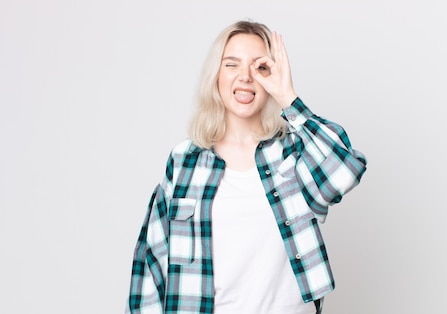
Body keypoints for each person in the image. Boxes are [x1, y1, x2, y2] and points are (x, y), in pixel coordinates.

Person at [127, 20, 367, 314]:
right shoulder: (184, 160)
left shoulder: (295, 152)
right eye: (232, 65)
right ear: (215, 75)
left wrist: (288, 97)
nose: (245, 77)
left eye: (260, 67)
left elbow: (346, 169)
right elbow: (151, 261)